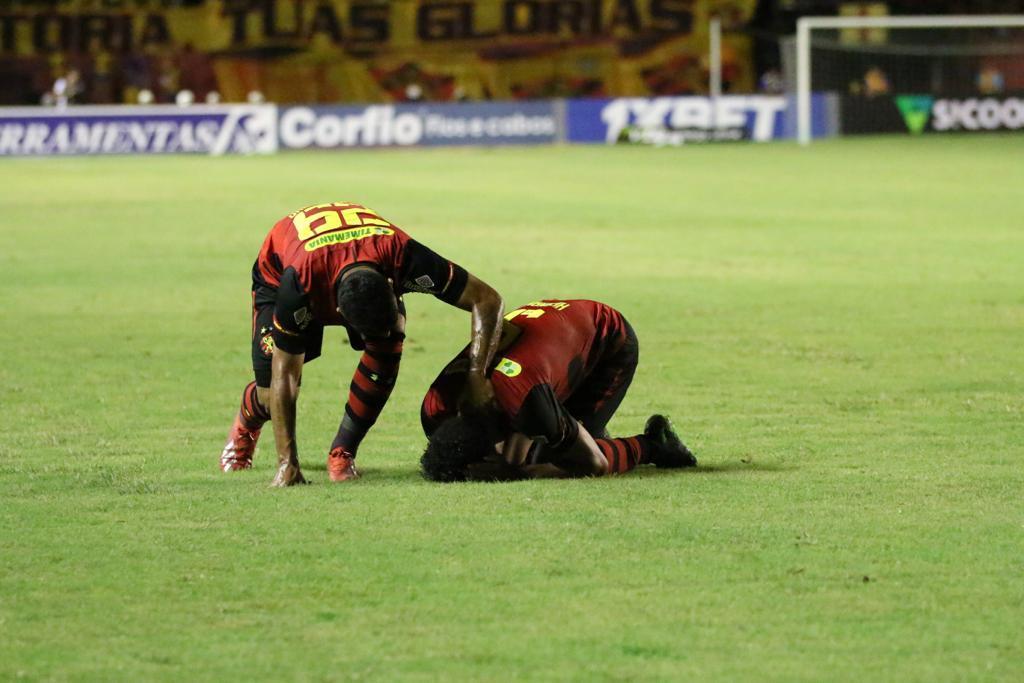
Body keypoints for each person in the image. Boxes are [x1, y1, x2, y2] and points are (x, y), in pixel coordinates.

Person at [219, 202, 504, 486]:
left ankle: (343, 451)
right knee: (272, 392)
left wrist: (477, 375)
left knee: (388, 344)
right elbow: (286, 375)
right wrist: (287, 463)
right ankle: (247, 421)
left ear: (393, 284)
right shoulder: (298, 284)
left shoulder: (403, 254)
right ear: (339, 314)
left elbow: (487, 300)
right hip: (280, 273)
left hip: (361, 254)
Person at [419, 299, 696, 481]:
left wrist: (518, 473)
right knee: (536, 446)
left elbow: (594, 465)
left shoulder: (527, 399)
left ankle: (655, 444)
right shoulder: (435, 408)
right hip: (551, 337)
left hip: (606, 340)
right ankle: (580, 431)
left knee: (562, 458)